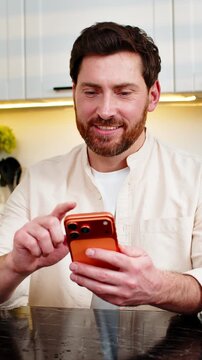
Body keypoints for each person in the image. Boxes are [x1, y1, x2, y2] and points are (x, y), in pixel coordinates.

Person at [0, 22, 201, 314]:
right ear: (74, 93)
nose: (105, 110)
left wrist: (158, 286)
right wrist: (14, 265)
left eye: (123, 92)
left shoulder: (195, 177)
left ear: (153, 96)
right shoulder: (39, 180)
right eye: (91, 92)